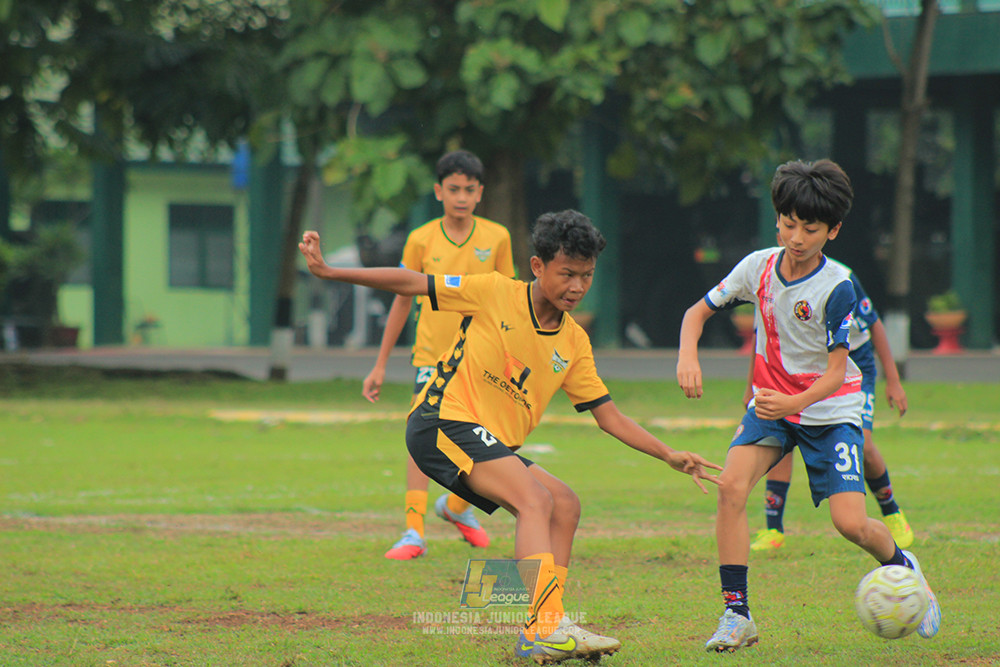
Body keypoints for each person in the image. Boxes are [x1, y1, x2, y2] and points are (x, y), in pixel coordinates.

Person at [301, 210, 722, 664]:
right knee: (535, 501)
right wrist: (329, 271)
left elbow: (610, 417)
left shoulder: (574, 342)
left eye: (586, 275)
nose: (578, 286)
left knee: (564, 503)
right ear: (538, 267)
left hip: (485, 441)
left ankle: (538, 630)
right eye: (567, 274)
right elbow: (411, 282)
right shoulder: (494, 291)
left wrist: (668, 454)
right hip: (441, 421)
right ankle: (548, 626)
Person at [676, 159, 940, 652]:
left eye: (810, 228)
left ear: (833, 230)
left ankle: (906, 571)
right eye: (788, 223)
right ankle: (737, 614)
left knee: (851, 524)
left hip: (829, 410)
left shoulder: (836, 287)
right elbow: (697, 313)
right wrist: (687, 354)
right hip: (773, 404)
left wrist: (791, 402)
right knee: (731, 488)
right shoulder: (756, 267)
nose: (796, 237)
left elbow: (838, 375)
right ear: (778, 218)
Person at [362, 150, 515, 560]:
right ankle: (413, 531)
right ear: (438, 192)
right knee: (421, 438)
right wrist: (379, 365)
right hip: (432, 357)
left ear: (480, 193)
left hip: (480, 359)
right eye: (453, 189)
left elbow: (507, 301)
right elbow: (400, 299)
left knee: (489, 443)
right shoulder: (421, 239)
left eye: (469, 189)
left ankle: (457, 507)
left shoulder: (497, 238)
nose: (461, 197)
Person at [748, 260, 914, 552]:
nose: (793, 238)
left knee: (863, 442)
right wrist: (751, 385)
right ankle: (773, 528)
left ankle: (891, 512)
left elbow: (874, 324)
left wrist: (893, 379)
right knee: (779, 434)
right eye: (786, 227)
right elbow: (761, 336)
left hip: (851, 368)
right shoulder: (768, 274)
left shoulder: (840, 280)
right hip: (797, 371)